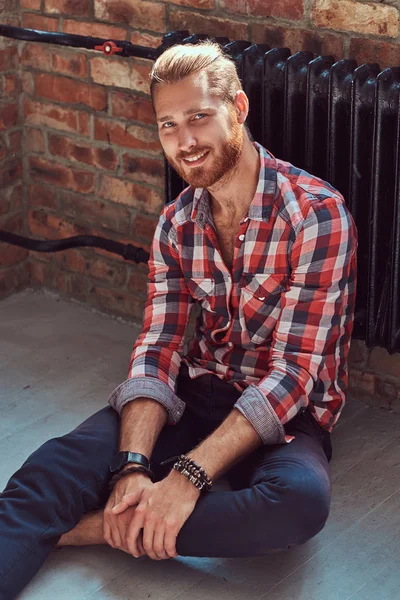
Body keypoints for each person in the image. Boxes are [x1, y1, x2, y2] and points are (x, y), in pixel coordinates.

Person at [0, 41, 357, 599]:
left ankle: (94, 530)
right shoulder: (176, 224)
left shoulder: (316, 214)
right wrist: (131, 468)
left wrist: (188, 477)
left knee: (297, 506)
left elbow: (295, 374)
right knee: (45, 476)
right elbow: (159, 346)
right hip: (200, 391)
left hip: (287, 413)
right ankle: (126, 509)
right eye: (168, 125)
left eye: (198, 117)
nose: (185, 142)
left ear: (237, 109)